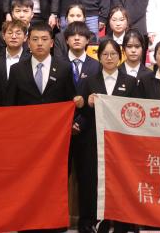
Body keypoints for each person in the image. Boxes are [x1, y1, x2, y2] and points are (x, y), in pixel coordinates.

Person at [83, 38, 141, 233]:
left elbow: (137, 111)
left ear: (120, 56)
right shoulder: (89, 81)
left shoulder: (130, 82)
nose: (109, 58)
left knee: (121, 181)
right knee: (95, 181)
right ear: (99, 57)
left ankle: (122, 222)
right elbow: (80, 112)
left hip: (122, 143)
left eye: (113, 54)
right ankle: (97, 221)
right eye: (105, 54)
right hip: (95, 141)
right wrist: (86, 102)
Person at [63, 20, 100, 233]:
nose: (77, 38)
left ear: (88, 40)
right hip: (61, 131)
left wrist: (79, 122)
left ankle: (87, 221)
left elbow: (98, 99)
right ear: (66, 40)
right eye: (72, 35)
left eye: (81, 35)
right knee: (59, 177)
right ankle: (58, 219)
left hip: (88, 130)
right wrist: (68, 122)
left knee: (88, 178)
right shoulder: (58, 64)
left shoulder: (96, 65)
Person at [3, 20, 83, 106]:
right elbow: (10, 102)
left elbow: (71, 99)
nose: (40, 43)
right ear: (29, 43)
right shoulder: (16, 69)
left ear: (51, 43)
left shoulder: (64, 68)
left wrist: (78, 101)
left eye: (44, 39)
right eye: (35, 39)